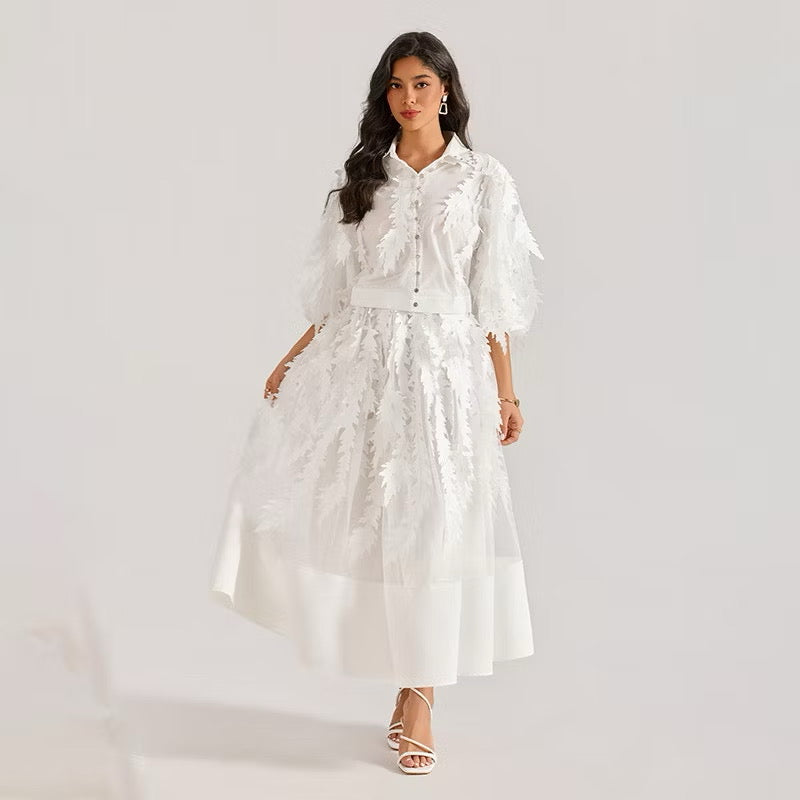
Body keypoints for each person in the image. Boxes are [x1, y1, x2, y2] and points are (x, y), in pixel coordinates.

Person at [209, 31, 545, 775]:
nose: (408, 98)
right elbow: (337, 291)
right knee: (375, 522)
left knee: (436, 528)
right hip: (362, 366)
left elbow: (493, 295)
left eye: (422, 83)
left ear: (447, 90)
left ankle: (420, 696)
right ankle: (404, 676)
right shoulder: (364, 177)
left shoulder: (484, 180)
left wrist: (506, 389)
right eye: (396, 85)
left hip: (447, 372)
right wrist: (291, 359)